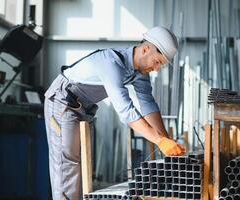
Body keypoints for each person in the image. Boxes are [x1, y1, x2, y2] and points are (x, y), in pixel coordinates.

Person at [44, 26, 185, 200]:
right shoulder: (110, 63)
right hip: (62, 102)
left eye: (160, 65)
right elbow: (126, 111)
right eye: (156, 62)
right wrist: (159, 140)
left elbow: (148, 104)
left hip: (80, 108)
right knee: (67, 163)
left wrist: (166, 140)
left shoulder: (139, 73)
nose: (156, 68)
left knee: (75, 164)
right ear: (146, 49)